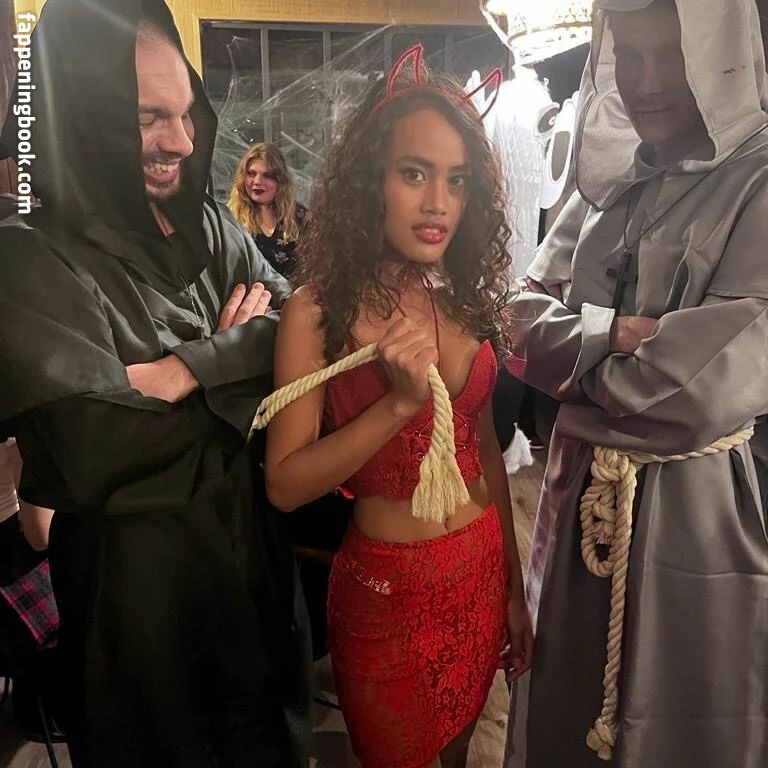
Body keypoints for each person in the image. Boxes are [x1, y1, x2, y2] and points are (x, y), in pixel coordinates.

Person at [0, 1, 306, 766]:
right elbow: (96, 450)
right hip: (135, 617)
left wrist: (190, 367)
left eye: (184, 113)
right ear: (79, 112)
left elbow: (306, 329)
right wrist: (246, 371)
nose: (180, 141)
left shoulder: (212, 227)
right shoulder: (29, 256)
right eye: (146, 118)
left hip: (253, 581)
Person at [504, 1, 768, 766]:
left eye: (672, 56)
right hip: (578, 501)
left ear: (718, 56)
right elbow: (513, 319)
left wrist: (571, 359)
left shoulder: (757, 183)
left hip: (697, 513)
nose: (646, 83)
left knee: (684, 715)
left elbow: (703, 390)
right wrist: (617, 334)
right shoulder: (605, 182)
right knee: (568, 706)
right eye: (630, 55)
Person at [264, 51, 533, 768]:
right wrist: (398, 405)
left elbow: (484, 450)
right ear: (370, 182)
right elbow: (284, 484)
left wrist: (514, 590)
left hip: (479, 573)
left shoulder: (462, 300)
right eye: (414, 174)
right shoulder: (317, 312)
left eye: (457, 180)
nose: (438, 202)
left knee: (459, 755)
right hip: (387, 598)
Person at [228, 142, 307, 278]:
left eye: (267, 176)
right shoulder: (229, 218)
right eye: (251, 174)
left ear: (280, 181)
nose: (257, 182)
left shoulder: (299, 216)